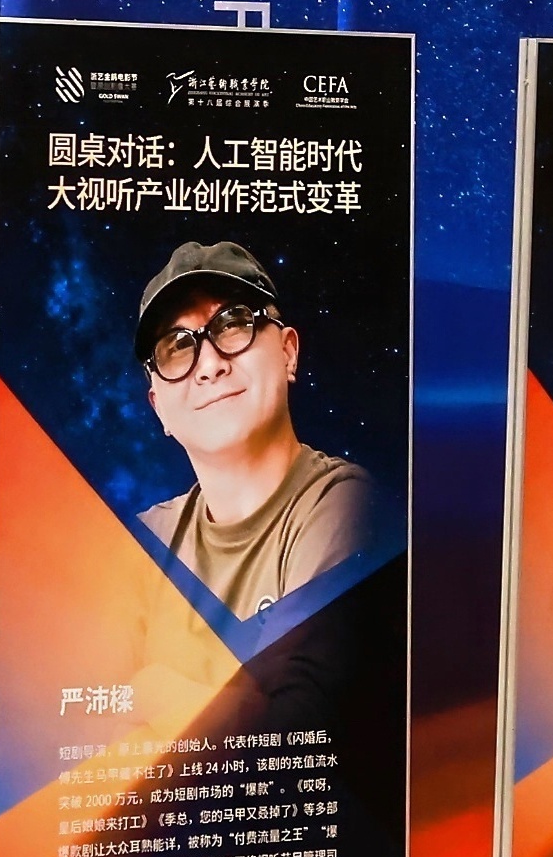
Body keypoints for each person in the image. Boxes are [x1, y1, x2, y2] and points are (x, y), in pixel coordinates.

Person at [132, 240, 381, 618]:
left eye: (232, 323)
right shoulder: (145, 541)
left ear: (288, 352)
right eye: (176, 346)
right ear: (158, 408)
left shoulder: (348, 508)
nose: (209, 365)